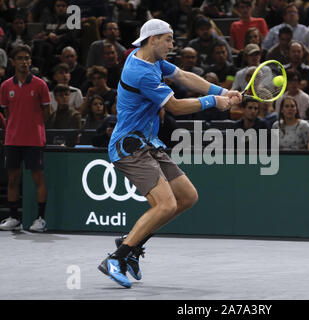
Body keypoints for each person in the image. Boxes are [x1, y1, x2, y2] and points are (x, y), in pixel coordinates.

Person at [97, 18, 241, 288]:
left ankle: (133, 244)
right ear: (153, 39)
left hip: (148, 143)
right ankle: (116, 258)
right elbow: (174, 106)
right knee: (165, 204)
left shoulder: (151, 60)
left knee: (187, 196)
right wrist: (214, 101)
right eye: (169, 39)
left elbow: (184, 76)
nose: (173, 45)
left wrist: (223, 90)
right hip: (129, 147)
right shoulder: (142, 72)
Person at [0, 44, 51, 232]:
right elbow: (7, 111)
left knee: (37, 178)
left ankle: (40, 219)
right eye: (21, 58)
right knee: (13, 178)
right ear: (13, 62)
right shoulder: (5, 86)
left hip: (34, 140)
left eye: (27, 58)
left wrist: (33, 125)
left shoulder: (40, 85)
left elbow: (47, 112)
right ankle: (14, 218)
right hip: (12, 140)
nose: (25, 62)